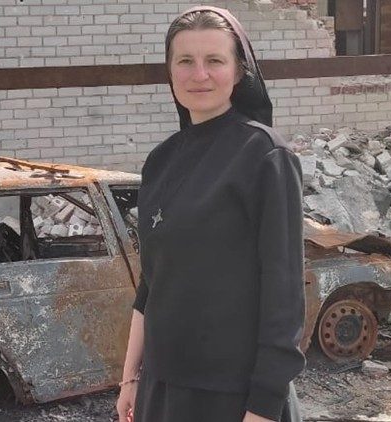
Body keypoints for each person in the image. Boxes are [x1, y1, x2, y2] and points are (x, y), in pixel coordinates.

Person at [115, 6, 306, 422]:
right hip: (162, 391)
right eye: (185, 61)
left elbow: (284, 291)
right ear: (169, 70)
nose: (198, 74)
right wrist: (131, 379)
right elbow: (153, 281)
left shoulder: (265, 156)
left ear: (239, 72)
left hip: (232, 396)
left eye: (214, 60)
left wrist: (263, 406)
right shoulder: (160, 161)